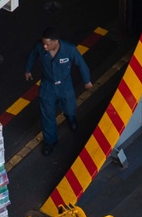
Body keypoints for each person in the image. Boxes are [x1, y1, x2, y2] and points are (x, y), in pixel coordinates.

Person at [24, 27, 93, 156]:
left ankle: (70, 117)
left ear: (56, 41)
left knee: (70, 107)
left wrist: (87, 81)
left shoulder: (69, 49)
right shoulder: (40, 47)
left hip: (65, 85)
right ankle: (50, 141)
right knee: (47, 116)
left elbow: (81, 64)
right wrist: (27, 70)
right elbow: (33, 55)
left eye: (48, 44)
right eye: (44, 43)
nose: (45, 46)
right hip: (47, 86)